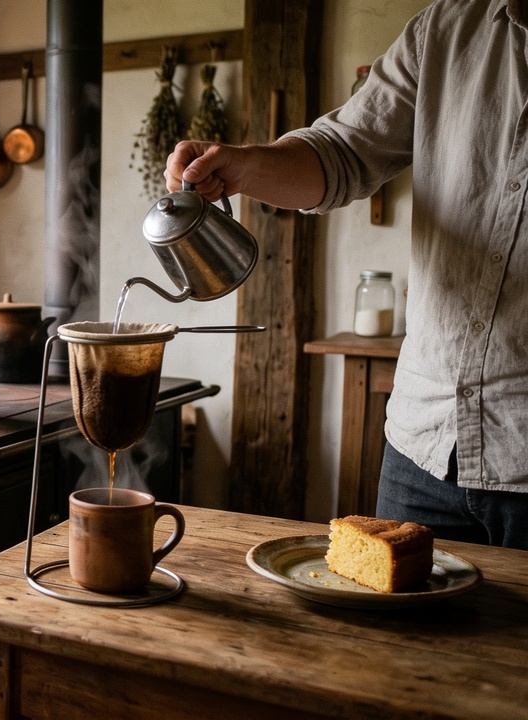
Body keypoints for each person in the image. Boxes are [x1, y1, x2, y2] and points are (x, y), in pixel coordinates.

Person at [164, 0, 528, 550]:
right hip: (424, 447)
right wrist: (243, 165)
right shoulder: (449, 29)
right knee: (390, 638)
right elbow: (341, 152)